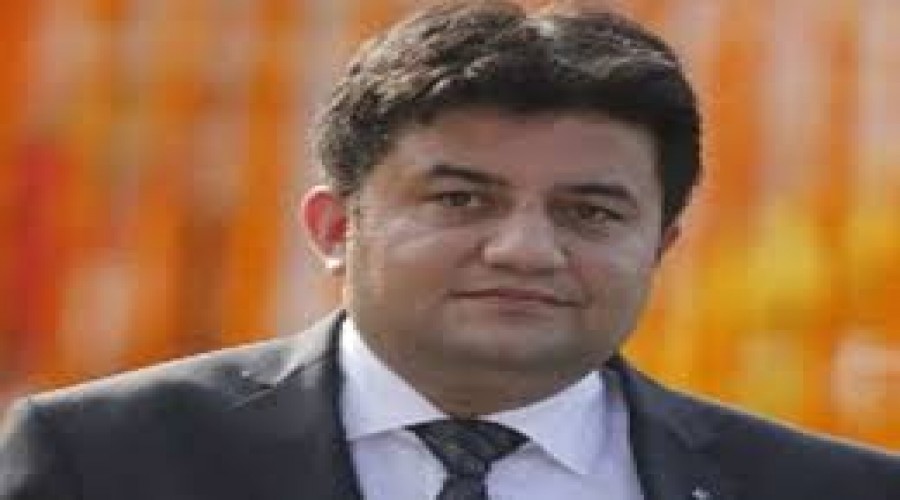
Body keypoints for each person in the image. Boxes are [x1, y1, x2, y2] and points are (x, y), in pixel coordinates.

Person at [2, 1, 899, 499]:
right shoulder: (104, 459)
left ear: (660, 245)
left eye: (589, 212)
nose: (525, 250)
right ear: (334, 228)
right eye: (462, 199)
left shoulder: (828, 491)